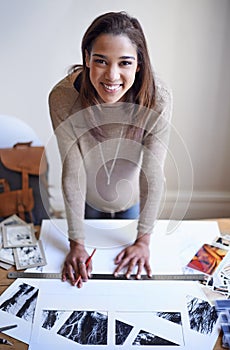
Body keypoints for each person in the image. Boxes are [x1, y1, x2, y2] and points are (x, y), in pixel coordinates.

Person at [49, 11, 172, 288]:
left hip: (131, 200)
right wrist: (76, 243)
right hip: (88, 199)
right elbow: (73, 170)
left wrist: (143, 240)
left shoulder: (158, 99)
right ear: (87, 58)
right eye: (101, 61)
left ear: (139, 64)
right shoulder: (63, 98)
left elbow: (152, 172)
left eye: (125, 62)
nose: (112, 75)